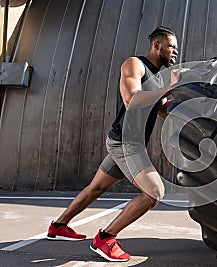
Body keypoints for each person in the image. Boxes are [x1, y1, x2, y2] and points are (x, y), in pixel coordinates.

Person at [47, 26, 181, 262]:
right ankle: (106, 238)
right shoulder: (135, 64)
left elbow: (159, 111)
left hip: (132, 143)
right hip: (124, 143)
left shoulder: (160, 77)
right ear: (156, 45)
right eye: (172, 46)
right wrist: (168, 87)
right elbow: (131, 100)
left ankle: (58, 226)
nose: (175, 52)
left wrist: (177, 98)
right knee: (154, 192)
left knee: (95, 189)